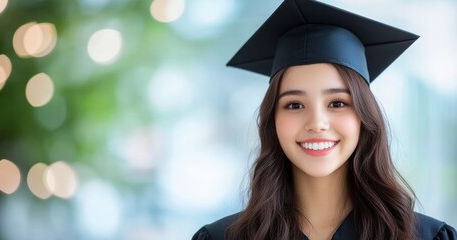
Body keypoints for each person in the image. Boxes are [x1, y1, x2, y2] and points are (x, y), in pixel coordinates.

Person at [192, 0, 457, 239]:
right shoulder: (223, 237)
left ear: (365, 117)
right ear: (272, 119)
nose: (317, 122)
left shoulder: (424, 236)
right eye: (294, 105)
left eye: (337, 103)